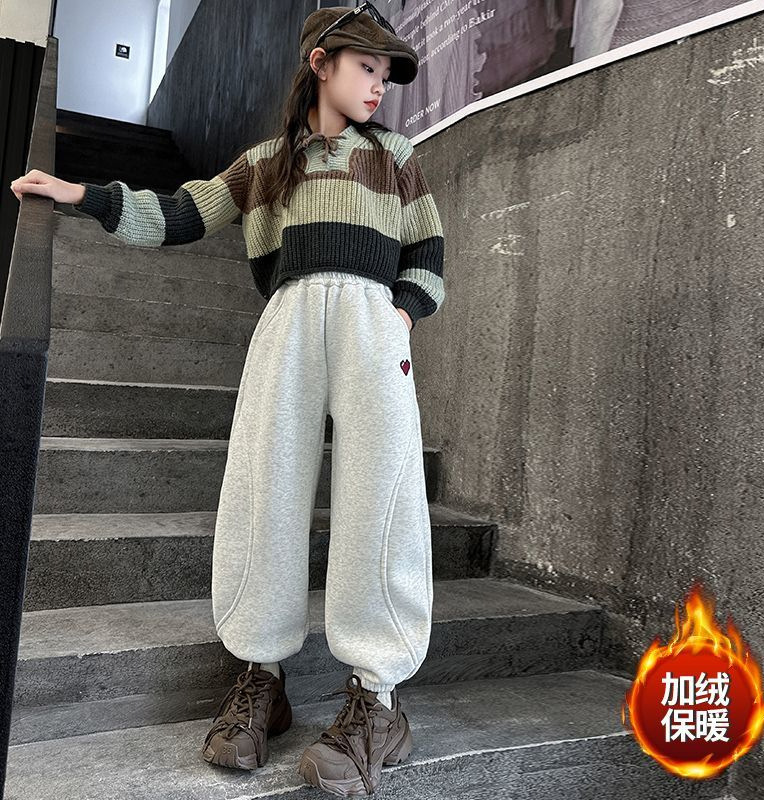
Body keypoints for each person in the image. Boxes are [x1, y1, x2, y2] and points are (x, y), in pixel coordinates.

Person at [11, 3, 444, 796]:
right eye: (365, 67)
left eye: (386, 73)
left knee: (382, 498)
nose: (379, 85)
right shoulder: (265, 164)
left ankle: (378, 700)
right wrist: (81, 193)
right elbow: (182, 213)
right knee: (263, 490)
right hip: (287, 321)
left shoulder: (397, 158)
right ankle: (261, 677)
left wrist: (402, 313)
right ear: (320, 63)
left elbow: (429, 248)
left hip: (373, 327)